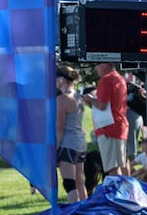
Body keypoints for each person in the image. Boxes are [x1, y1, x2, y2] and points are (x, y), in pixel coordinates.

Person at [89, 61, 129, 176]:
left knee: (112, 168)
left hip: (108, 127)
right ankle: (126, 192)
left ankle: (117, 193)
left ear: (104, 64)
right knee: (121, 164)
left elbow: (102, 105)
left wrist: (90, 100)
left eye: (96, 65)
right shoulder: (119, 78)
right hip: (120, 125)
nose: (95, 69)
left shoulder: (106, 79)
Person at [55, 65, 88, 203]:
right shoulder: (78, 96)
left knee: (69, 183)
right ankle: (85, 211)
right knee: (80, 182)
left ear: (62, 79)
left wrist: (55, 149)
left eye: (55, 78)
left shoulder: (63, 99)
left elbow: (60, 128)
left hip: (68, 144)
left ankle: (74, 212)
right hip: (80, 143)